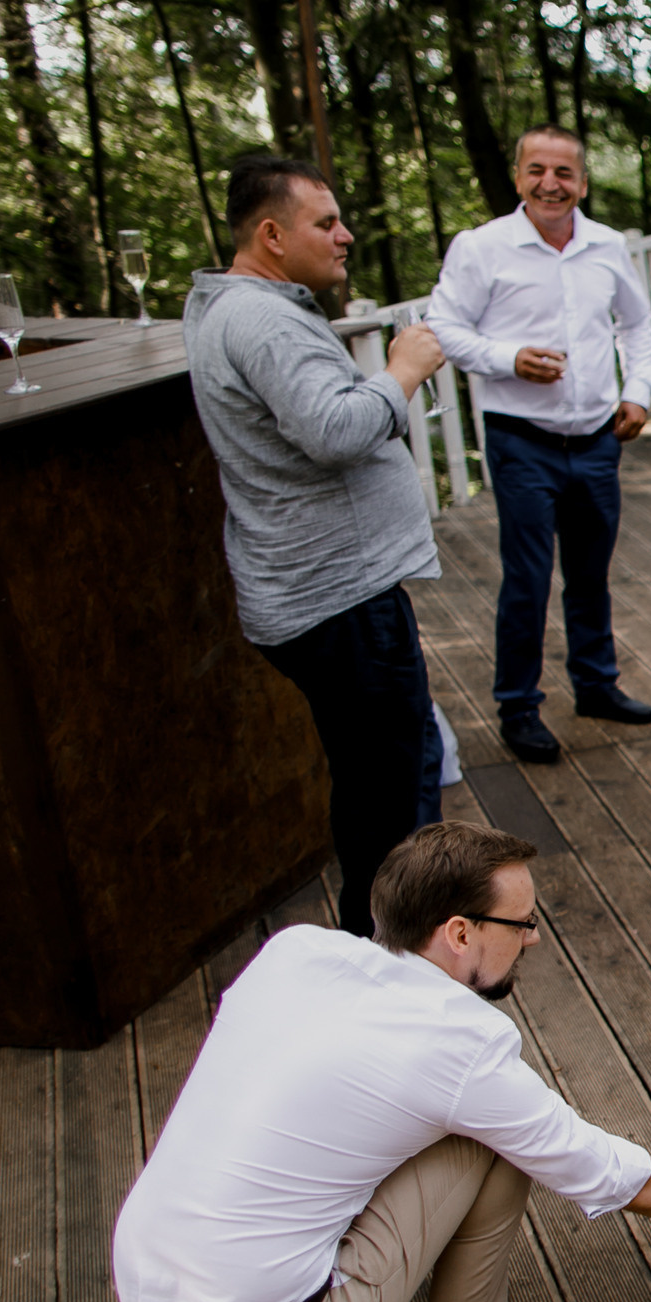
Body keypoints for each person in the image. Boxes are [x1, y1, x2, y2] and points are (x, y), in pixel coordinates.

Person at [112, 821, 651, 1302]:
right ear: (461, 933)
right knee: (491, 1141)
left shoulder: (296, 949)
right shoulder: (461, 1043)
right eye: (522, 923)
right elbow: (618, 1175)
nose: (531, 937)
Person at [184, 154, 450, 939]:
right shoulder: (262, 319)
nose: (345, 235)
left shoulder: (226, 308)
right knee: (395, 793)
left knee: (373, 782)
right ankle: (398, 954)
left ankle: (385, 941)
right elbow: (332, 430)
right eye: (325, 222)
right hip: (340, 598)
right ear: (271, 233)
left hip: (313, 589)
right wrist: (401, 373)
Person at [428, 125, 651, 766]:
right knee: (528, 578)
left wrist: (639, 390)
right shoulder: (482, 249)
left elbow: (637, 324)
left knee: (590, 573)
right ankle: (518, 705)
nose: (550, 184)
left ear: (582, 183)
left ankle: (595, 685)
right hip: (521, 440)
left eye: (563, 172)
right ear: (518, 178)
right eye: (537, 170)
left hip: (596, 438)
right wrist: (507, 359)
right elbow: (442, 326)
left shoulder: (607, 246)